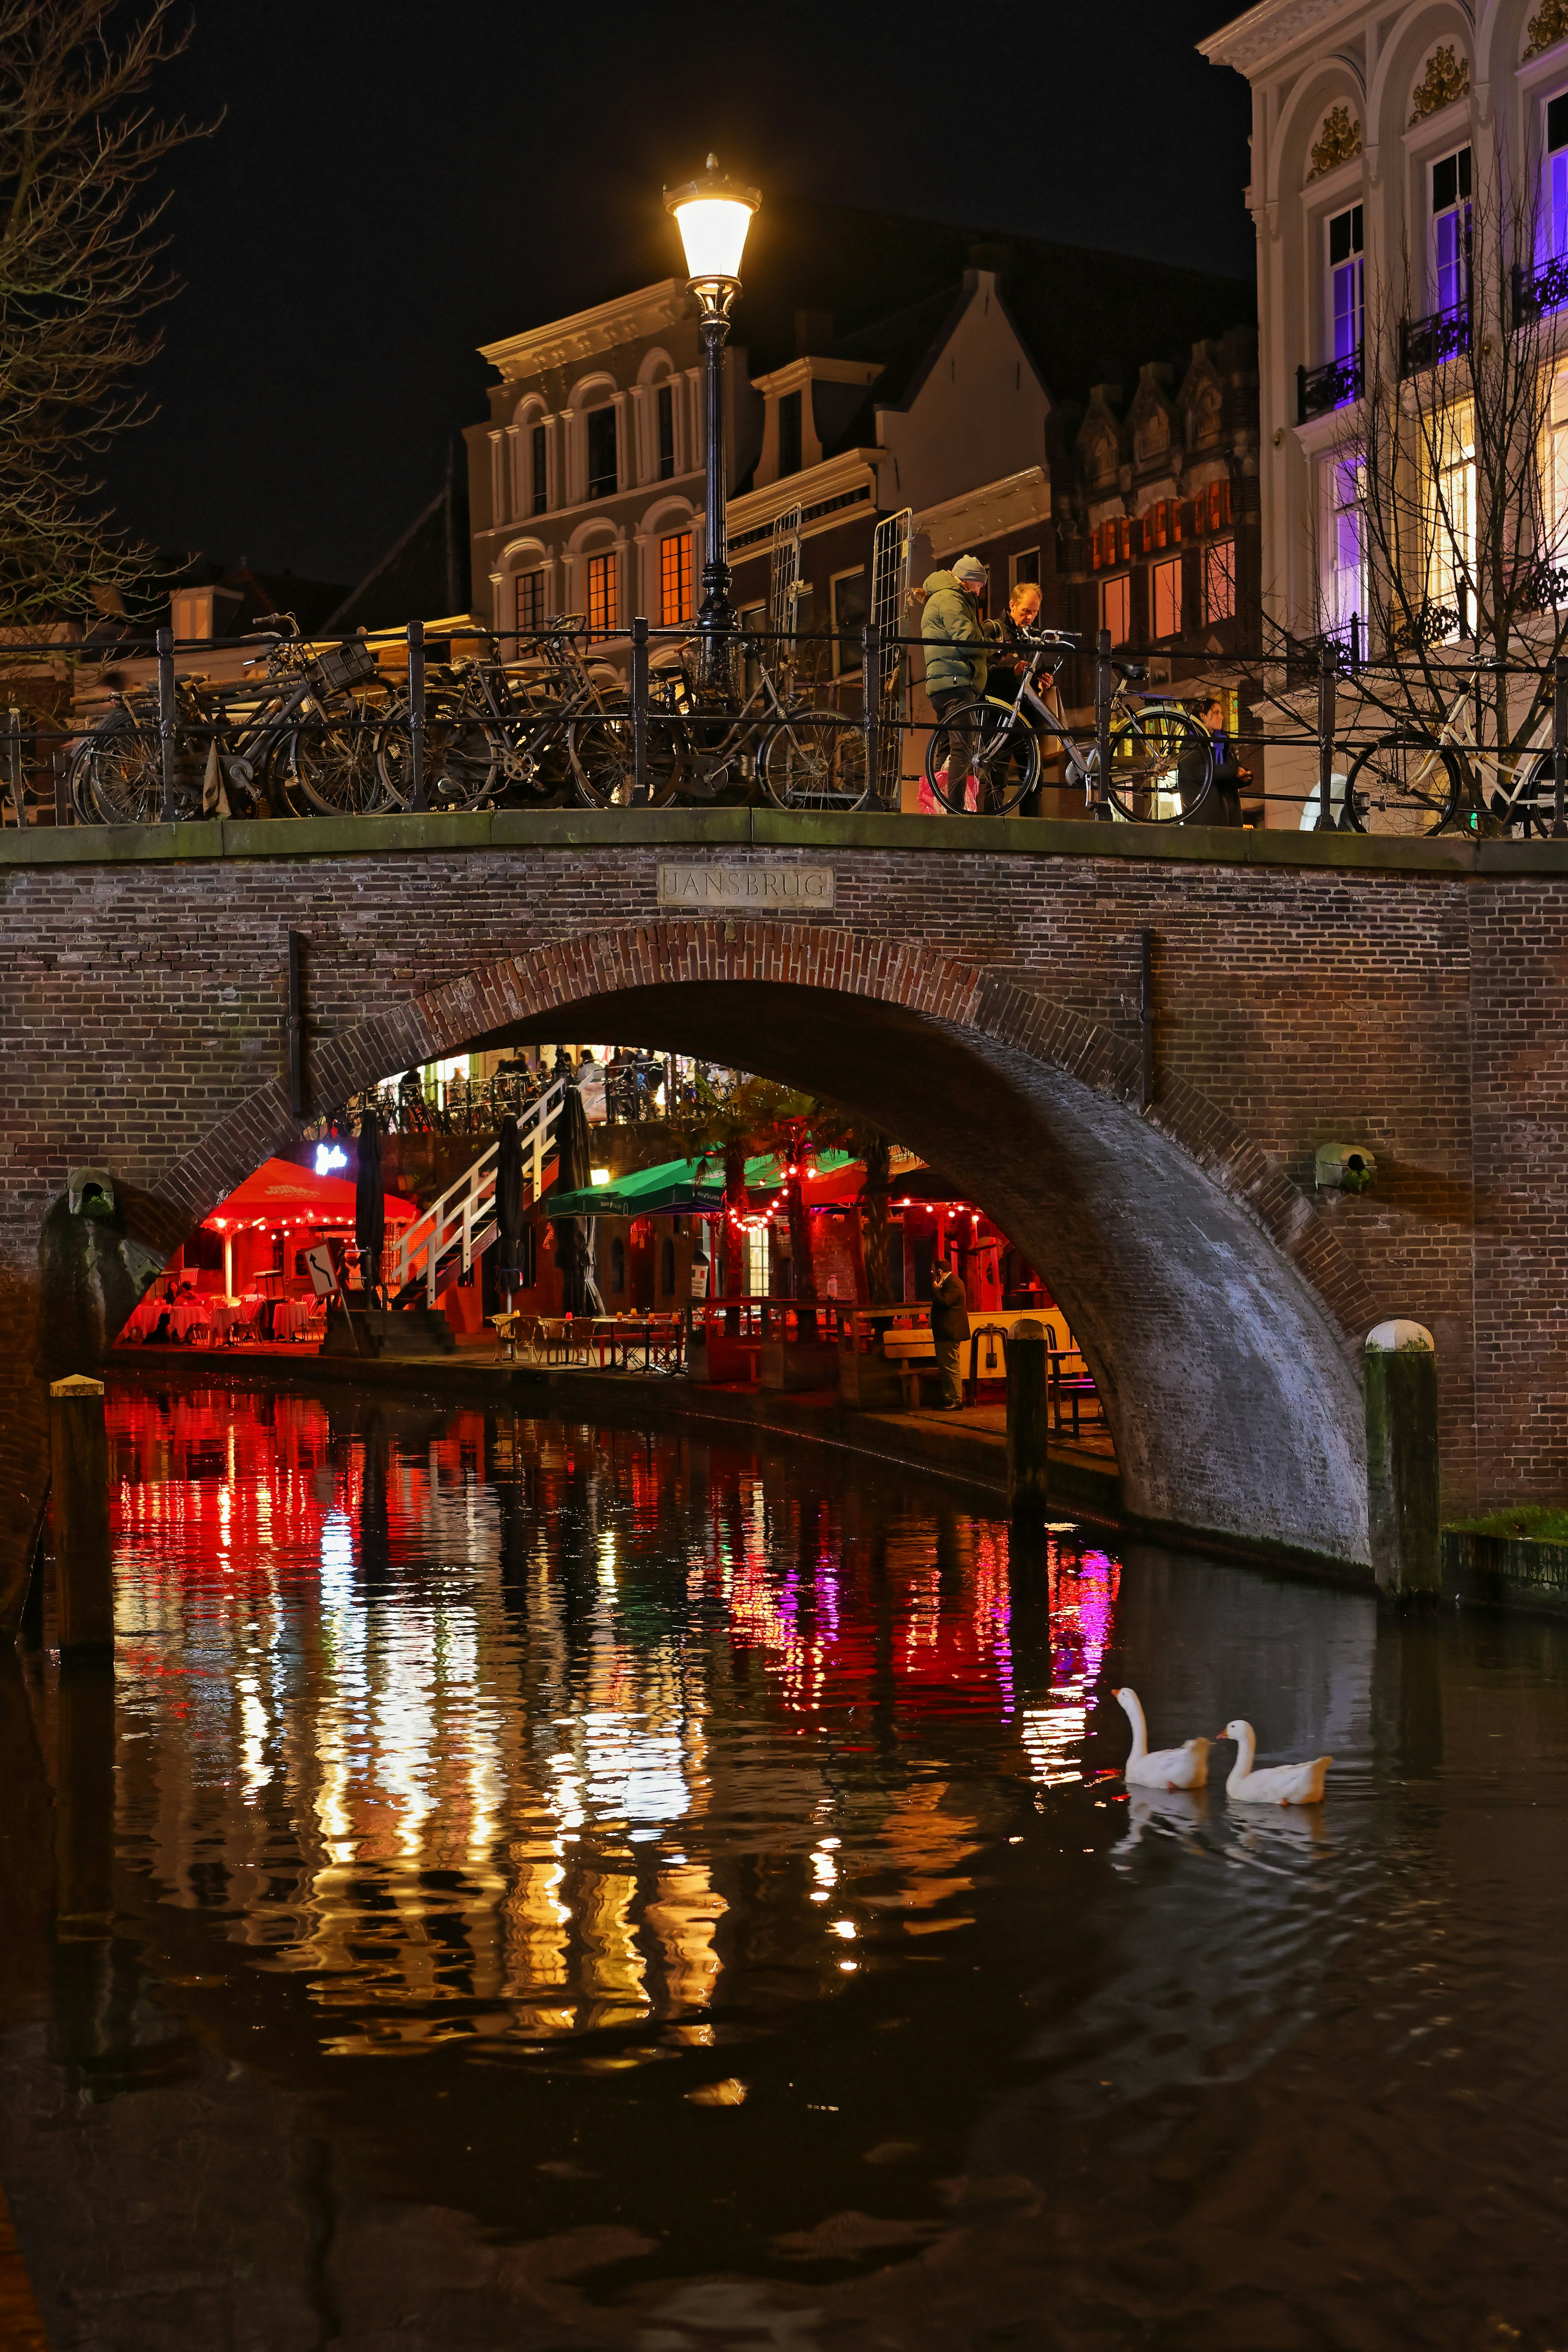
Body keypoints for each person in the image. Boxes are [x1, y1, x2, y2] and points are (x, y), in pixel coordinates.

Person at [920, 555, 997, 813]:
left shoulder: (940, 597)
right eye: (979, 585)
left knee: (945, 748)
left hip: (943, 682)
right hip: (957, 682)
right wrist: (992, 647)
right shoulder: (951, 599)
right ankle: (955, 810)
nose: (979, 591)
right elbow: (967, 639)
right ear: (968, 580)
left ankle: (936, 807)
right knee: (962, 749)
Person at [1180, 693, 1252, 825]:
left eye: (1221, 713)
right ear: (1203, 716)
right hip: (1206, 818)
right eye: (1216, 713)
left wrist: (1244, 777)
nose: (1221, 717)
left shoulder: (1224, 742)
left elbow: (1232, 770)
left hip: (1229, 819)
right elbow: (1195, 772)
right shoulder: (1191, 742)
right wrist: (1232, 771)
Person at [928, 1254, 971, 1410]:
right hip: (944, 1331)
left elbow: (945, 1302)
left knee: (951, 1366)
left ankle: (956, 1400)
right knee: (945, 1366)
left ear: (940, 1271)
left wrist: (936, 1289)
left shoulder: (953, 1283)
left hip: (950, 1331)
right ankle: (949, 1397)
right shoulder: (947, 1283)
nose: (932, 1274)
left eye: (933, 1271)